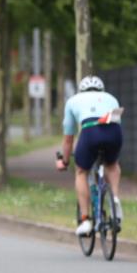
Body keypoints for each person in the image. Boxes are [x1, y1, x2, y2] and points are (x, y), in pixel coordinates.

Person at [55, 75, 123, 235]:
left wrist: (64, 161)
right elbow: (117, 121)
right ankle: (115, 198)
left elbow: (68, 139)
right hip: (114, 131)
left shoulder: (73, 101)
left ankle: (85, 220)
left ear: (81, 90)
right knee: (112, 166)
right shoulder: (111, 98)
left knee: (81, 172)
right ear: (101, 89)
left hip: (90, 131)